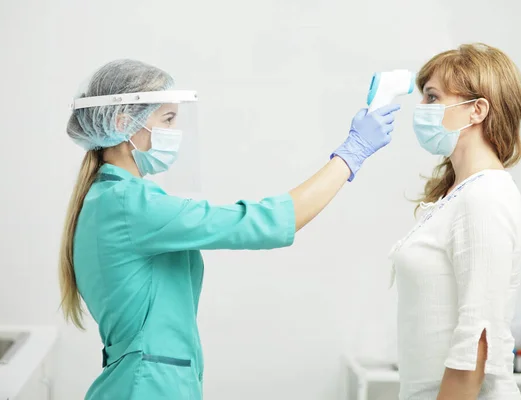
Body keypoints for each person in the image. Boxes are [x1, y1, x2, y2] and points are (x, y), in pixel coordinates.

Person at [59, 59, 400, 400]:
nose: (175, 131)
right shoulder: (129, 203)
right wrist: (351, 154)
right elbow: (264, 222)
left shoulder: (109, 197)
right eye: (167, 119)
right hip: (146, 387)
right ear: (122, 122)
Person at [388, 43, 521, 399]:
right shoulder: (459, 195)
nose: (422, 110)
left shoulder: (486, 197)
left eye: (432, 97)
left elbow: (477, 340)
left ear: (476, 110)